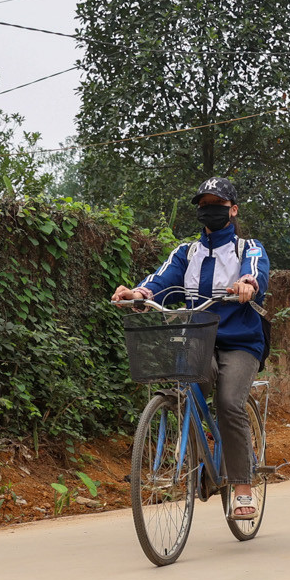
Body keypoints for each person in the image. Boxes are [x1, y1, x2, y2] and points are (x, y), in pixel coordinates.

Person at [112, 177, 269, 519]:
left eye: (217, 204)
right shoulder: (186, 253)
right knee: (182, 390)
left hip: (240, 343)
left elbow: (256, 271)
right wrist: (137, 294)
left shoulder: (248, 248)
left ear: (233, 210)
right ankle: (199, 463)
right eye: (203, 205)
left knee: (229, 403)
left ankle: (242, 486)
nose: (209, 210)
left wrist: (247, 284)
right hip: (199, 340)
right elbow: (159, 280)